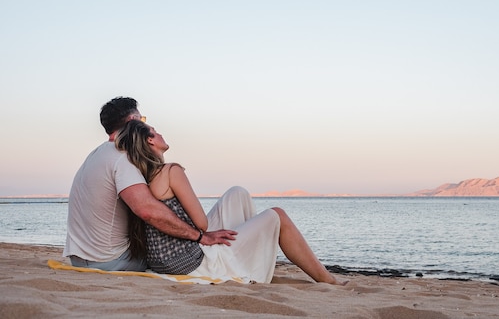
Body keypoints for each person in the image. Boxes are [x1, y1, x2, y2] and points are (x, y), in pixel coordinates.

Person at [115, 119, 341, 284]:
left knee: (237, 193)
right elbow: (201, 225)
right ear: (150, 140)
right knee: (277, 215)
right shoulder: (170, 171)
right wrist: (205, 235)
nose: (161, 133)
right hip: (188, 262)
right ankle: (327, 280)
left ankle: (245, 253)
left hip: (164, 260)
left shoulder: (144, 179)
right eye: (156, 131)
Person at [64, 97, 236, 271]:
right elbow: (147, 210)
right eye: (143, 120)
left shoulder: (97, 154)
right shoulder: (122, 157)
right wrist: (200, 237)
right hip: (110, 261)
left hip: (80, 259)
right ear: (134, 121)